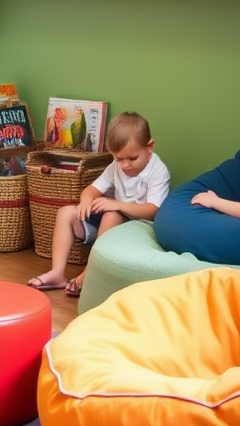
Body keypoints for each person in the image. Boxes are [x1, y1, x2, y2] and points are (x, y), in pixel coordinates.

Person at [28, 110, 170, 298]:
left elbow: (152, 210)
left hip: (139, 227)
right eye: (119, 159)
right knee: (66, 212)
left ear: (149, 146)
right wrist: (86, 202)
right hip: (111, 221)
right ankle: (57, 272)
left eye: (132, 159)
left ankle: (88, 274)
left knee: (112, 214)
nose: (125, 165)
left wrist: (117, 205)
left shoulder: (158, 171)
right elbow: (90, 190)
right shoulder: (115, 167)